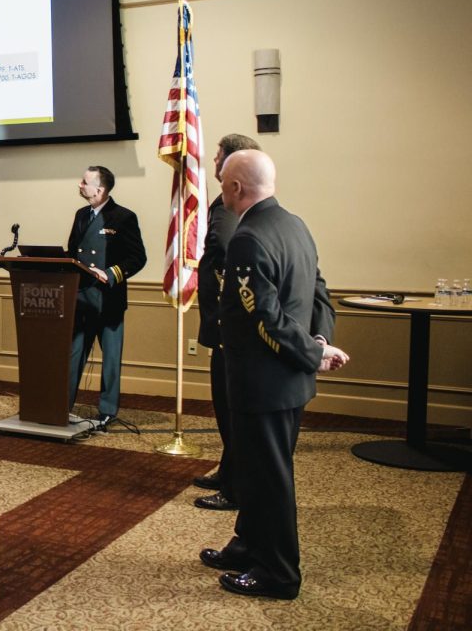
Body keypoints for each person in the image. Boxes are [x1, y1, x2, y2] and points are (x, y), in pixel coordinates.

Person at [200, 150, 349, 600]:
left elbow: (263, 318)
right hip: (287, 383)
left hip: (263, 384)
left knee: (269, 479)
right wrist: (319, 343)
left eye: (223, 181)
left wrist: (311, 355)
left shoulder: (248, 238)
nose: (220, 190)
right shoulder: (294, 224)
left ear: (236, 188)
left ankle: (278, 574)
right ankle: (248, 544)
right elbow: (319, 293)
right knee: (256, 471)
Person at [192, 134, 261, 512]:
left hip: (227, 322)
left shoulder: (225, 206)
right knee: (228, 406)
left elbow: (227, 253)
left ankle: (234, 484)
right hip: (227, 321)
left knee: (228, 405)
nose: (213, 161)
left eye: (218, 156)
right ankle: (229, 469)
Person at [65, 165, 146, 431]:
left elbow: (138, 258)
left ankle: (108, 411)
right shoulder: (80, 214)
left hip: (108, 299)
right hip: (81, 299)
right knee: (73, 355)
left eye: (85, 182)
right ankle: (62, 405)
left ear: (99, 190)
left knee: (111, 359)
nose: (80, 185)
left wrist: (111, 273)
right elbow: (72, 252)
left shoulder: (123, 217)